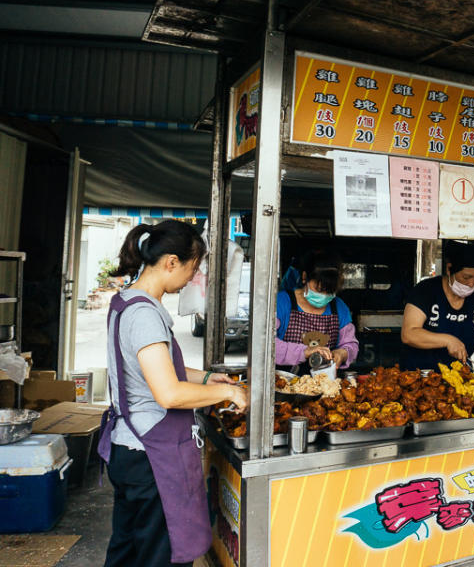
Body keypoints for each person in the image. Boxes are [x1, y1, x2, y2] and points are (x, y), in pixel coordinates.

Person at [98, 220, 249, 567]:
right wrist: (229, 394)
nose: (193, 279)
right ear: (171, 262)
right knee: (157, 556)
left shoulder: (126, 302)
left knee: (127, 551)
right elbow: (168, 393)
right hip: (151, 457)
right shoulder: (144, 315)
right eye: (193, 269)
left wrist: (208, 378)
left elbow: (155, 369)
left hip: (130, 449)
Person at [401, 241, 474, 370]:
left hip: (463, 376)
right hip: (423, 377)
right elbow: (409, 334)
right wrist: (448, 340)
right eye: (466, 277)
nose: (471, 284)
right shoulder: (425, 291)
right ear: (449, 269)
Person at [275, 251, 358, 374]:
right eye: (319, 289)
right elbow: (267, 344)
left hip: (325, 382)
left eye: (329, 291)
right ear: (304, 277)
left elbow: (351, 345)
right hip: (284, 380)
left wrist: (343, 353)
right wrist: (305, 351)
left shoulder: (339, 307)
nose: (324, 296)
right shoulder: (281, 302)